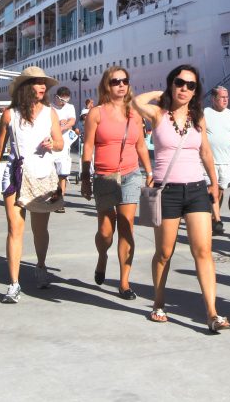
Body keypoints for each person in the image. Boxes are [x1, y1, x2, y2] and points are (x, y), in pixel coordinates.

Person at [132, 64, 230, 333]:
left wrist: (214, 183)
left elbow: (207, 153)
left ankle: (212, 312)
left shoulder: (198, 118)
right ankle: (158, 302)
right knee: (164, 252)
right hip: (168, 191)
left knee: (203, 251)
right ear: (171, 84)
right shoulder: (157, 114)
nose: (184, 89)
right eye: (179, 83)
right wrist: (160, 92)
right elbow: (135, 100)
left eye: (191, 85)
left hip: (197, 189)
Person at [0, 67, 66, 303]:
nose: (42, 87)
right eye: (37, 83)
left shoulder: (50, 114)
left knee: (40, 230)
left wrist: (53, 144)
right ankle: (14, 284)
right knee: (14, 229)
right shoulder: (10, 114)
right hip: (15, 175)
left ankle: (40, 266)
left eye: (44, 84)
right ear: (25, 87)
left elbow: (60, 143)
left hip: (41, 176)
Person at [80, 66, 153, 299]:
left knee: (126, 225)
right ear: (106, 86)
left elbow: (141, 144)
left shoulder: (135, 113)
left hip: (131, 174)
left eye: (124, 81)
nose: (121, 85)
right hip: (105, 176)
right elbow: (88, 146)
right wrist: (84, 176)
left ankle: (124, 281)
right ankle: (102, 256)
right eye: (115, 82)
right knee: (105, 232)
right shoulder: (96, 113)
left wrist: (149, 171)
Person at [202, 85, 230, 235]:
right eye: (222, 97)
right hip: (208, 161)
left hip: (225, 161)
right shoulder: (205, 113)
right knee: (211, 189)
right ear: (213, 99)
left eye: (227, 97)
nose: (226, 100)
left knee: (220, 190)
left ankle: (213, 216)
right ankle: (216, 219)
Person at [52, 86, 77, 203]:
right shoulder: (49, 108)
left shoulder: (70, 107)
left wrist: (64, 126)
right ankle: (52, 196)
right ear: (56, 97)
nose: (64, 103)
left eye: (66, 101)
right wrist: (58, 124)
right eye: (62, 101)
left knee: (62, 173)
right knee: (51, 172)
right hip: (51, 144)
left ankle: (60, 199)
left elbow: (72, 120)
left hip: (65, 144)